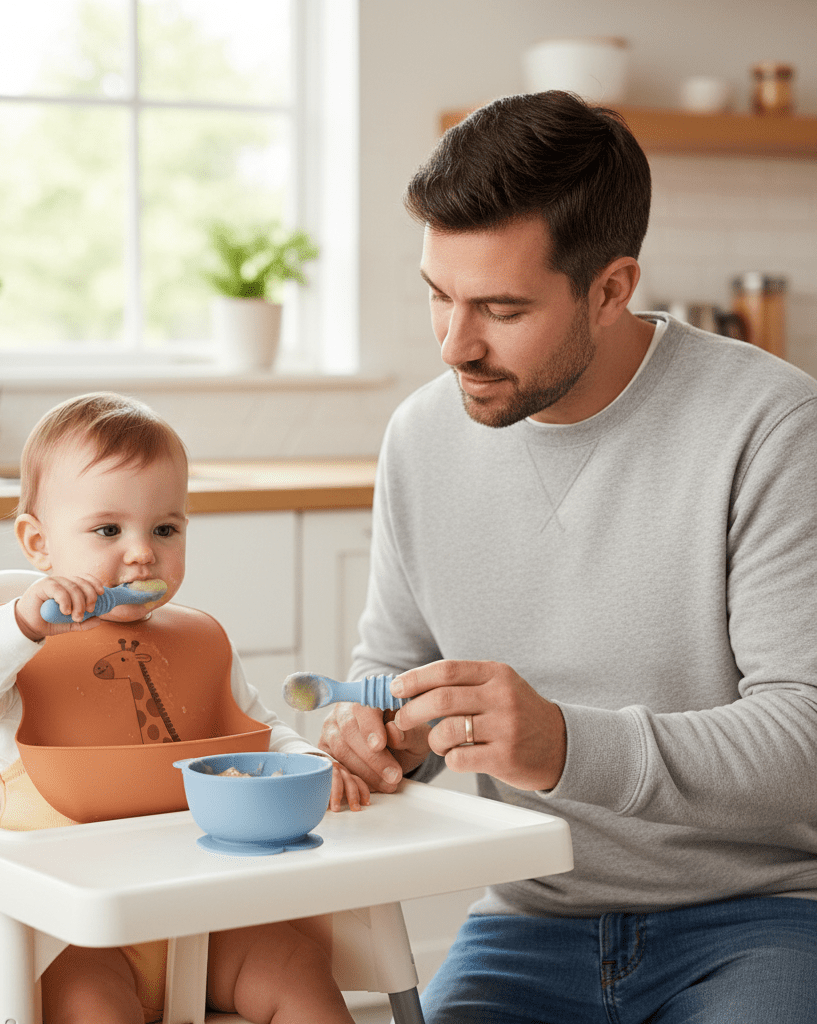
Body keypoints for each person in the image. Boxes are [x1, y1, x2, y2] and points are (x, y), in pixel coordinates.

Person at [318, 91, 817, 1024]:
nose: (455, 345)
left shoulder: (770, 426)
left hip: (764, 918)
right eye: (438, 294)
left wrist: (566, 746)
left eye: (501, 309)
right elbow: (390, 664)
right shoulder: (421, 437)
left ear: (612, 288)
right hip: (528, 917)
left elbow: (807, 735)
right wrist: (380, 731)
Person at [0, 391, 368, 1024]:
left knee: (296, 966)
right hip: (68, 928)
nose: (142, 552)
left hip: (199, 912)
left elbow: (260, 734)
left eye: (165, 528)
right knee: (90, 1003)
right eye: (108, 530)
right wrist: (19, 625)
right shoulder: (16, 645)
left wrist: (312, 762)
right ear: (38, 543)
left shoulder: (200, 641)